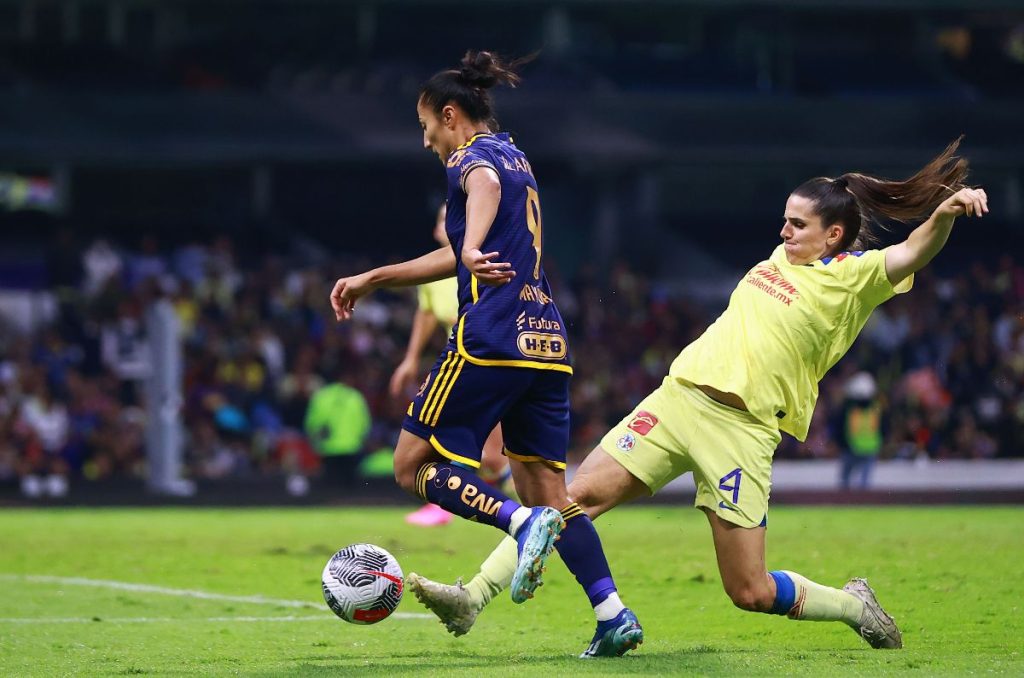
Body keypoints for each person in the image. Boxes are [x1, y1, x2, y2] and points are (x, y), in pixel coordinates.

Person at [407, 139, 987, 652]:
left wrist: (945, 213)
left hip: (743, 430)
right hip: (678, 400)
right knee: (566, 499)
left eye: (796, 225)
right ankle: (472, 597)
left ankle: (854, 605)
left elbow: (914, 251)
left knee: (749, 590)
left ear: (833, 234)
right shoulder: (777, 260)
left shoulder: (855, 278)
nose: (782, 233)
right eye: (784, 221)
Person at [330, 50, 643, 657]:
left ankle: (517, 524)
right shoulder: (517, 155)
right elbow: (454, 251)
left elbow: (480, 190)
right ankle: (612, 614)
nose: (427, 144)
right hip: (546, 342)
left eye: (427, 129)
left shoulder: (473, 159)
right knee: (552, 493)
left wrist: (470, 245)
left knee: (408, 465)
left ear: (451, 115)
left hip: (491, 336)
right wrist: (376, 277)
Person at [390, 204, 511, 527]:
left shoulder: (484, 261)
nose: (453, 222)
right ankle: (523, 511)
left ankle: (533, 510)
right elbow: (427, 313)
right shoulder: (430, 272)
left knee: (492, 456)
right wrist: (411, 358)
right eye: (446, 218)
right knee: (466, 445)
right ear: (435, 229)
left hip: (492, 363)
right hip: (463, 366)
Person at [835, 371, 884, 490]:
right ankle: (864, 504)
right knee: (864, 483)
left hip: (851, 448)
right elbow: (882, 429)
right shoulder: (876, 409)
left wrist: (841, 445)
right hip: (870, 449)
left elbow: (840, 429)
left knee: (845, 481)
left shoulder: (848, 410)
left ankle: (844, 504)